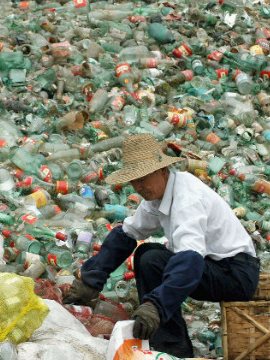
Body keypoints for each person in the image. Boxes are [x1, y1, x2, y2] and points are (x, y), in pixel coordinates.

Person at [64, 133, 260, 357]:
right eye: (134, 181)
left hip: (236, 274)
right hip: (210, 265)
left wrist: (156, 306)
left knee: (152, 260)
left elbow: (190, 258)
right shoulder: (157, 196)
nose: (138, 187)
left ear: (162, 171)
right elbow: (128, 232)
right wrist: (91, 279)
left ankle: (172, 349)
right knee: (147, 254)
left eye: (143, 179)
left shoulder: (187, 198)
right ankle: (169, 344)